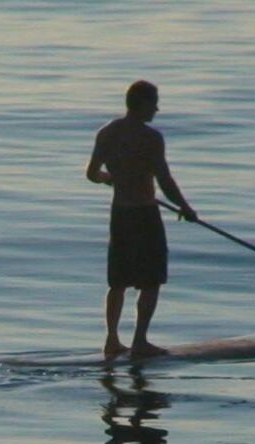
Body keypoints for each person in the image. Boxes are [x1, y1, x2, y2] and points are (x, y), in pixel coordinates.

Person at [86, 80, 197, 359]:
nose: (157, 109)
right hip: (145, 214)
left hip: (120, 213)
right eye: (154, 103)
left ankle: (111, 340)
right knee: (150, 281)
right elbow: (165, 181)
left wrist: (110, 179)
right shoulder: (151, 138)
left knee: (118, 282)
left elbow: (92, 173)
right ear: (142, 103)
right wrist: (185, 208)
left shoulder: (107, 133)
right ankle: (139, 342)